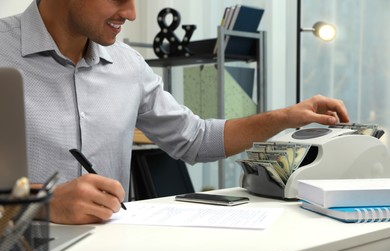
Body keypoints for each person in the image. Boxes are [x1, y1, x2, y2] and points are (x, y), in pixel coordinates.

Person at [0, 0, 349, 225]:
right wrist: (42, 202)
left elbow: (195, 139)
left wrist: (286, 117)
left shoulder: (128, 65)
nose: (131, 13)